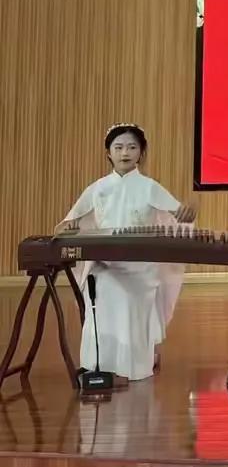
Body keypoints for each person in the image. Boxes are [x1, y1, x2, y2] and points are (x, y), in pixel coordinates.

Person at [57, 124, 197, 383]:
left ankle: (135, 365)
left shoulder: (150, 187)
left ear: (141, 153)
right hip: (105, 264)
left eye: (132, 147)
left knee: (131, 293)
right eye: (118, 147)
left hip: (140, 266)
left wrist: (186, 216)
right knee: (101, 286)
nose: (125, 153)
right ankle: (97, 365)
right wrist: (72, 227)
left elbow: (178, 218)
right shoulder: (98, 188)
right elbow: (69, 224)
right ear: (108, 153)